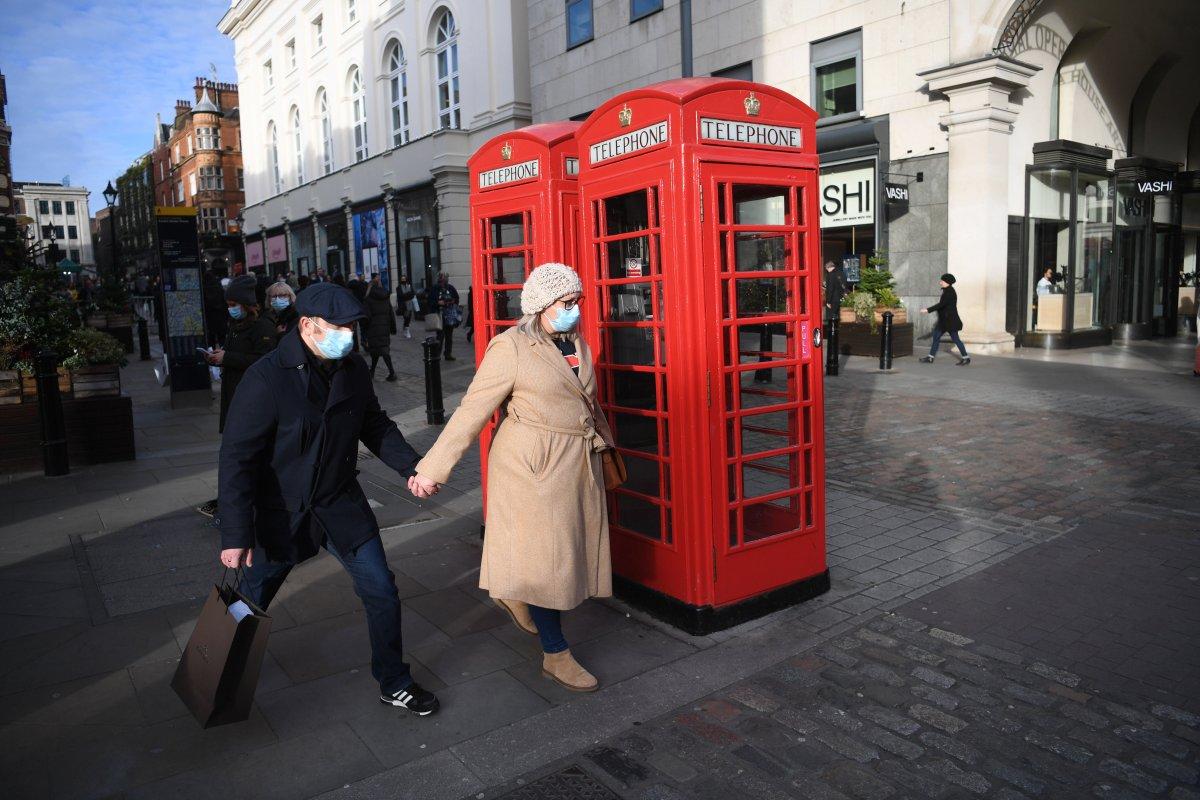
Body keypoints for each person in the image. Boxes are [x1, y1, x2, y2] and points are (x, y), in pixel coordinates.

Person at [216, 283, 439, 716]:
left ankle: (393, 681)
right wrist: (236, 533)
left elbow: (374, 424)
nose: (349, 336)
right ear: (307, 326)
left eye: (352, 327)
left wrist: (413, 467)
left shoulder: (352, 369)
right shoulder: (266, 377)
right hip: (282, 513)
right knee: (248, 600)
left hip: (340, 504)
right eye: (339, 328)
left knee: (381, 590)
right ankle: (216, 677)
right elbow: (237, 458)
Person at [411, 263, 616, 692]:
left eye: (577, 300)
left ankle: (514, 590)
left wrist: (605, 444)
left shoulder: (575, 342)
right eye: (566, 302)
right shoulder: (511, 347)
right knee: (548, 563)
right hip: (533, 467)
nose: (575, 309)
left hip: (576, 462)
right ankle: (556, 654)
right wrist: (432, 469)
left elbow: (586, 402)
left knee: (563, 557)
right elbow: (472, 409)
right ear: (542, 304)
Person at [196, 276, 280, 518]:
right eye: (228, 304)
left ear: (246, 303)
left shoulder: (262, 326)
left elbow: (266, 361)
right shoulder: (236, 324)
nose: (230, 308)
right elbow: (237, 354)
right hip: (234, 395)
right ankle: (232, 501)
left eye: (234, 304)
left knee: (243, 454)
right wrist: (220, 357)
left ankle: (235, 503)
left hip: (252, 400)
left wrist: (228, 358)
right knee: (237, 454)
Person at [919, 273, 970, 366]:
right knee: (936, 336)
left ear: (947, 282)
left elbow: (941, 305)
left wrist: (927, 310)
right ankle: (930, 357)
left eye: (942, 281)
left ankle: (966, 358)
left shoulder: (949, 292)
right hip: (944, 321)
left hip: (950, 321)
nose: (940, 282)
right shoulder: (947, 291)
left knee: (956, 339)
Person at [363, 275, 398, 381]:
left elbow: (367, 317)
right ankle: (373, 371)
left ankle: (392, 372)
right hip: (385, 326)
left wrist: (365, 329)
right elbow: (391, 313)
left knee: (381, 350)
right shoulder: (385, 296)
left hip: (373, 328)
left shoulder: (368, 299)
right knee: (378, 350)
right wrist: (393, 328)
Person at [426, 273, 461, 361]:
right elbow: (430, 301)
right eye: (443, 278)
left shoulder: (450, 288)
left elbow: (456, 298)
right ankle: (437, 354)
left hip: (450, 316)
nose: (445, 280)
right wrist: (438, 303)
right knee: (440, 336)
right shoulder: (435, 288)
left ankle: (448, 354)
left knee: (449, 336)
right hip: (440, 315)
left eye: (446, 278)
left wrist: (452, 302)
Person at [203, 268, 228, 348]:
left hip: (209, 319)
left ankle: (212, 352)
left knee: (211, 340)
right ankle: (222, 352)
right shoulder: (218, 287)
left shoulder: (203, 289)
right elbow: (224, 302)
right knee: (222, 339)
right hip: (221, 318)